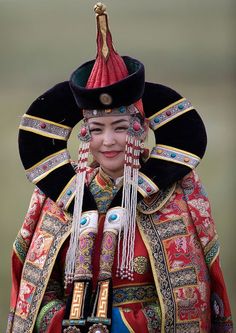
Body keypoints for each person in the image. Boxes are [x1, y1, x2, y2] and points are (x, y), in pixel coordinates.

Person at [6, 3, 233, 333]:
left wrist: (122, 324)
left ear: (140, 129)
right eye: (97, 130)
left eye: (121, 127)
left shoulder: (174, 198)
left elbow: (191, 301)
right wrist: (65, 321)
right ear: (85, 136)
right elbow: (34, 296)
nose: (108, 141)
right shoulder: (55, 200)